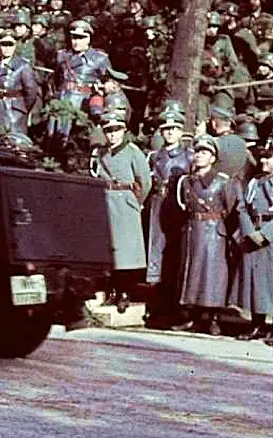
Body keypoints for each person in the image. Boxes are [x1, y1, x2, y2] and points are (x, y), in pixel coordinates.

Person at [175, 135, 244, 335]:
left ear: (213, 158)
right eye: (197, 152)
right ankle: (193, 317)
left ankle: (214, 318)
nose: (199, 156)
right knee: (193, 273)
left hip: (214, 232)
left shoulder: (223, 182)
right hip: (193, 230)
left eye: (204, 153)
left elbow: (232, 210)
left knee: (213, 276)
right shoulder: (187, 182)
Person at [90, 113, 151, 309]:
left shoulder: (134, 152)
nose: (112, 135)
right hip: (107, 203)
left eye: (116, 130)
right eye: (108, 131)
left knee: (127, 253)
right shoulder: (100, 154)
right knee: (111, 252)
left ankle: (125, 292)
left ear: (124, 131)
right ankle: (113, 291)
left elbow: (145, 181)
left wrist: (135, 201)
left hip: (125, 203)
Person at [145, 110, 192, 328]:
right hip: (158, 203)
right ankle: (156, 307)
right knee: (156, 252)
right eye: (166, 129)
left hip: (177, 205)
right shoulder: (155, 156)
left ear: (181, 131)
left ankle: (174, 308)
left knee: (175, 254)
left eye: (174, 129)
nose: (170, 133)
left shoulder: (189, 156)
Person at [234, 139, 273, 344]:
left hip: (269, 236)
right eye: (261, 158)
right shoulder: (254, 182)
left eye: (268, 157)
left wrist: (266, 234)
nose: (263, 161)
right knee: (256, 282)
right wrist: (249, 231)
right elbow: (242, 207)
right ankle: (256, 323)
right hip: (253, 233)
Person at [0, 32, 40, 137]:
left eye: (10, 45)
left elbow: (31, 92)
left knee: (16, 142)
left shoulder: (22, 66)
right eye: (4, 44)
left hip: (15, 111)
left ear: (15, 46)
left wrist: (21, 108)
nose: (7, 48)